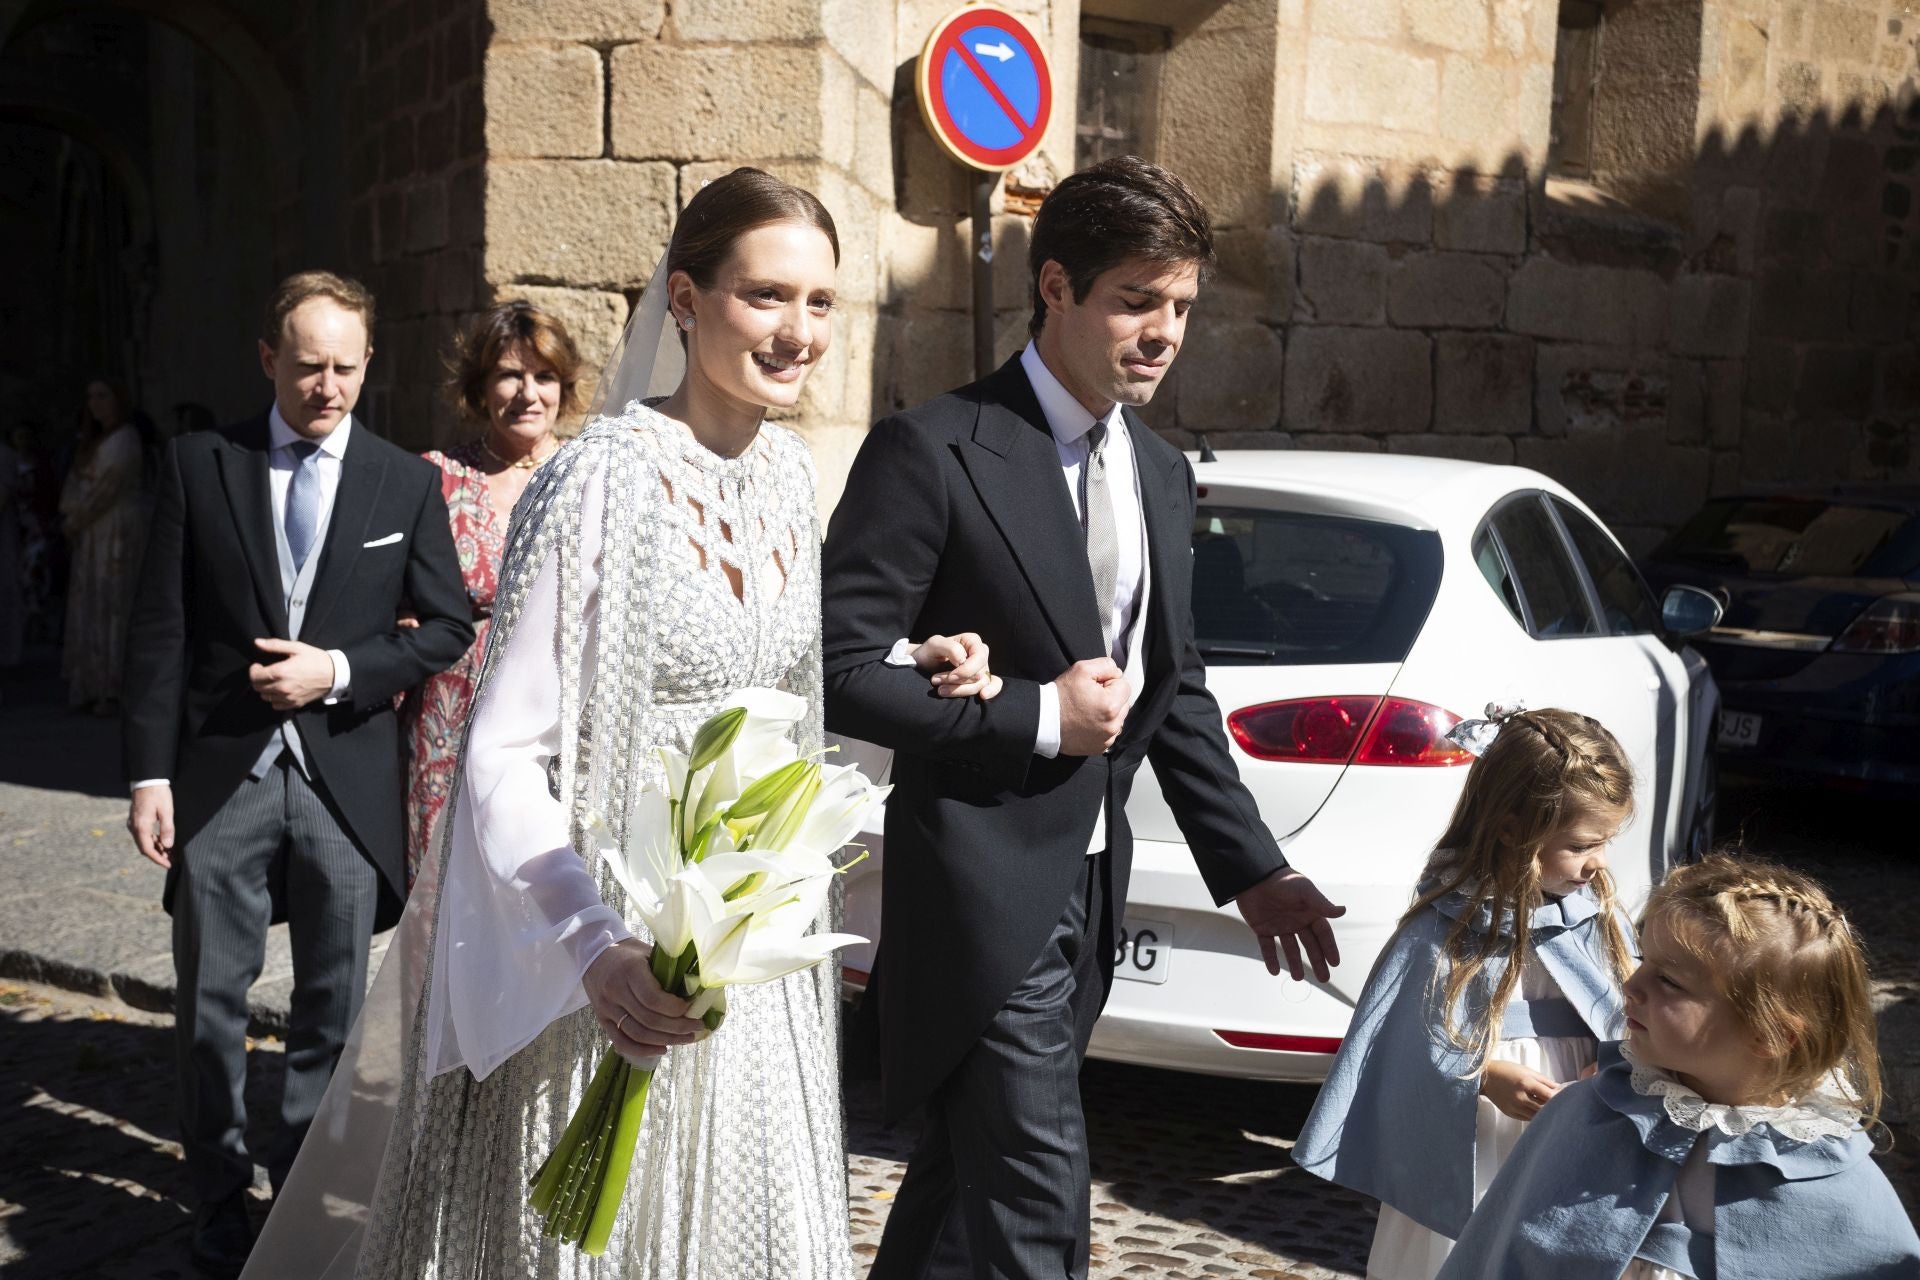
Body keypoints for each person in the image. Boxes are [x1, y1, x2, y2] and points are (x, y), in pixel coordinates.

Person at [242, 167, 989, 1280]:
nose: (799, 332)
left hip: (743, 948)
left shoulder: (789, 474)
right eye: (767, 296)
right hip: (599, 949)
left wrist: (914, 656)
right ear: (684, 300)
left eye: (821, 302)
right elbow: (500, 750)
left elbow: (775, 674)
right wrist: (596, 950)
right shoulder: (598, 479)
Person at [820, 155, 1347, 1280]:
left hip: (1092, 884)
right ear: (1055, 285)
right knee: (1037, 1190)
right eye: (1135, 300)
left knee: (970, 1180)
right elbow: (841, 666)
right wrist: (1035, 715)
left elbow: (1177, 689)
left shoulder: (1160, 471)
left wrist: (1250, 866)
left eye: (1183, 307)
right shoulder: (932, 447)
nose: (1163, 331)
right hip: (972, 886)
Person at [121, 271, 474, 1277]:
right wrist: (149, 775)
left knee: (330, 1011)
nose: (329, 386)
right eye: (310, 365)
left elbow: (448, 624)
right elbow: (160, 627)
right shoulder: (200, 463)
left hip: (348, 784)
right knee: (208, 1012)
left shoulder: (403, 481)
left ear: (371, 364)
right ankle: (218, 1206)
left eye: (348, 368)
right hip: (219, 775)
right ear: (269, 358)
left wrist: (344, 670)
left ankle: (303, 1204)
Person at [1438, 855, 1920, 1279]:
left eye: (1669, 980)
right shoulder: (1588, 1114)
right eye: (1643, 958)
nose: (1631, 983)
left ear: (1769, 1035)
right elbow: (1504, 1253)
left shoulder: (1830, 1182)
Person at [1292, 705, 1638, 1279]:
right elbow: (1397, 1046)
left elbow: (1631, 1019)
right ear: (1511, 828)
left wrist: (1609, 1069)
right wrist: (1483, 1076)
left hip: (1574, 1126)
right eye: (1581, 845)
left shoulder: (1596, 919)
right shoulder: (1445, 925)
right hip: (1474, 1135)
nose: (1596, 865)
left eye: (1605, 843)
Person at [400, 300, 582, 886]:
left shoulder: (590, 476)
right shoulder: (435, 477)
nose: (528, 393)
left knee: (541, 894)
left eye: (545, 376)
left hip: (554, 722)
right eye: (510, 374)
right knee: (444, 900)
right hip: (450, 723)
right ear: (481, 387)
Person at [60, 377, 146, 712]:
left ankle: (113, 688)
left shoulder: (125, 438)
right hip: (93, 532)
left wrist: (74, 519)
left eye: (102, 395)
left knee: (113, 606)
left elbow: (106, 488)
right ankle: (91, 684)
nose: (95, 403)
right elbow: (76, 482)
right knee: (92, 605)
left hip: (116, 531)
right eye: (90, 396)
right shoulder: (94, 439)